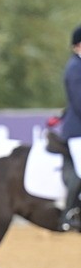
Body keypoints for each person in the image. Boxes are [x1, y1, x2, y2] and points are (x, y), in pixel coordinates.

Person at [60, 25, 81, 230]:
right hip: (78, 132)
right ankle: (68, 213)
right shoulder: (75, 68)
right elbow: (79, 102)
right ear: (78, 46)